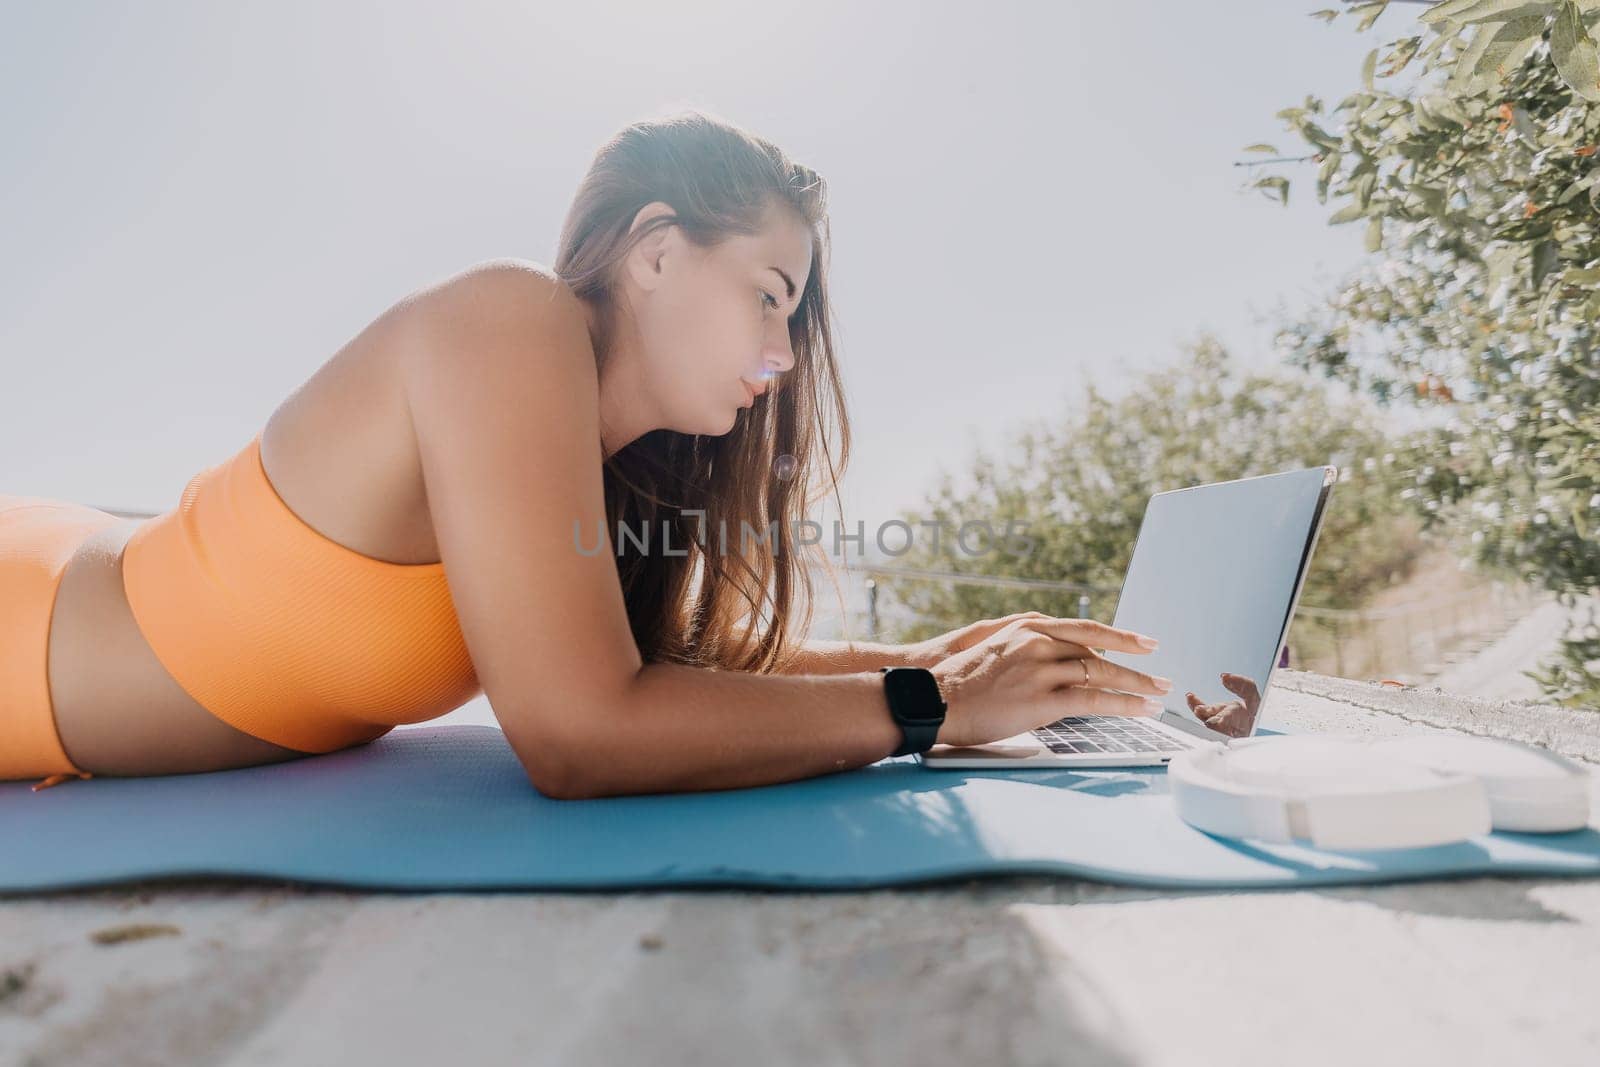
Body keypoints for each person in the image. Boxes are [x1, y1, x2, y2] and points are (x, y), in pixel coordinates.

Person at [1, 109, 1170, 799]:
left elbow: (676, 670)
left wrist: (935, 655)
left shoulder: (590, 461)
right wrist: (929, 704)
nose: (782, 352)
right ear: (656, 250)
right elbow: (580, 729)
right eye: (769, 296)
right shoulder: (511, 320)